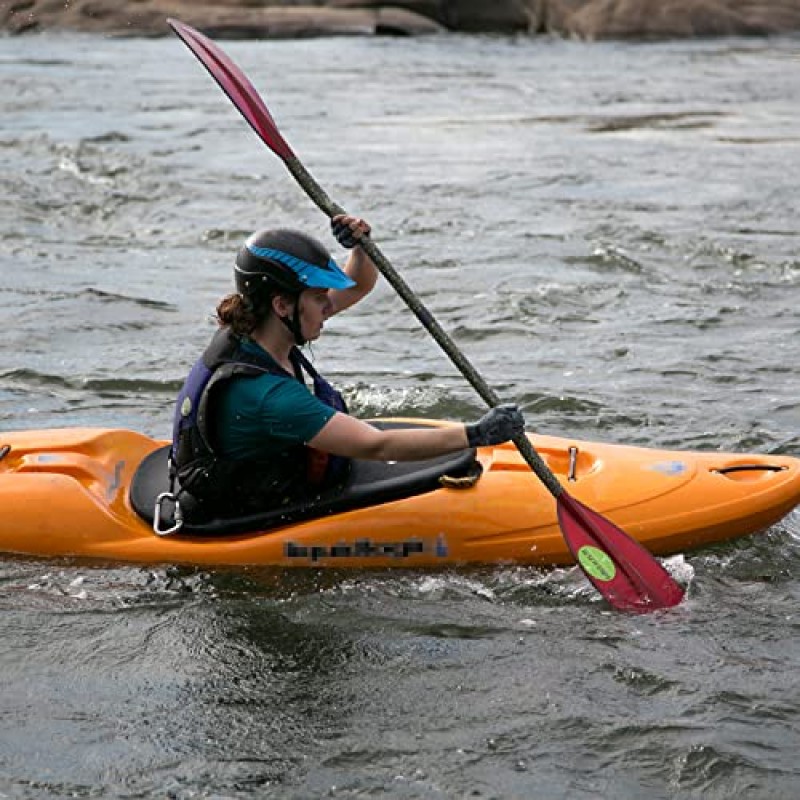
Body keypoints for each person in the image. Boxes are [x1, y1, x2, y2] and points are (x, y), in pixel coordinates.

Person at [170, 214, 525, 520]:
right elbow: (378, 446)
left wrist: (360, 247)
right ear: (282, 305)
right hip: (247, 505)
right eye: (319, 297)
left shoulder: (254, 328)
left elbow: (357, 286)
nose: (329, 307)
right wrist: (475, 434)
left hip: (253, 463)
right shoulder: (270, 396)